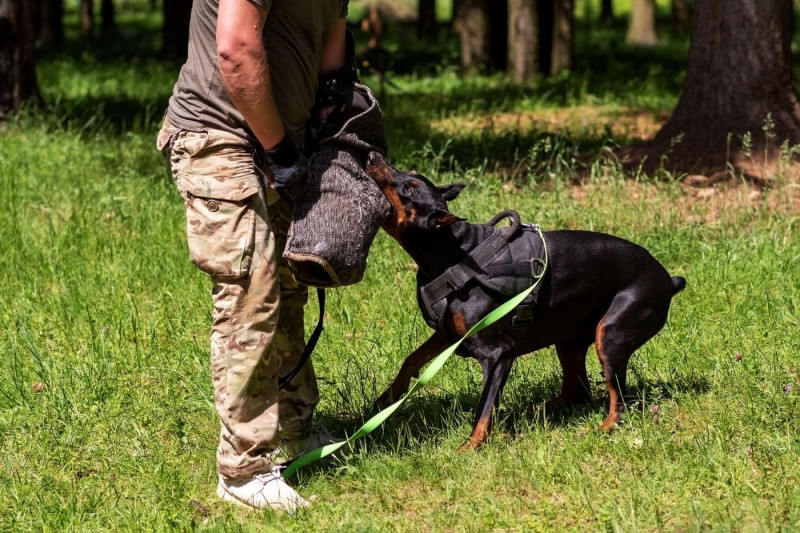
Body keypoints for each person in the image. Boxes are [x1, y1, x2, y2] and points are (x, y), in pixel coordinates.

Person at [156, 0, 356, 512]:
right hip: (218, 135)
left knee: (290, 284)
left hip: (282, 137)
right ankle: (243, 470)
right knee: (253, 291)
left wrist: (334, 104)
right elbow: (236, 49)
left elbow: (332, 39)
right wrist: (281, 154)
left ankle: (293, 429)